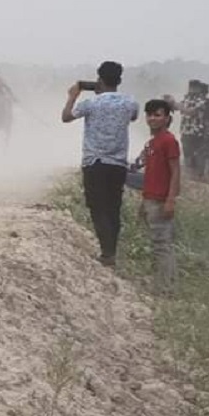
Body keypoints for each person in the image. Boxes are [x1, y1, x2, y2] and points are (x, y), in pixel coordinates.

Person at [61, 61, 139, 267]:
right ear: (119, 80)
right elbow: (134, 117)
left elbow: (66, 117)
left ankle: (107, 253)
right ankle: (111, 251)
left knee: (97, 206)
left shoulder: (91, 104)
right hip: (118, 164)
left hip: (94, 162)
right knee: (113, 207)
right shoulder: (130, 102)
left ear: (99, 79)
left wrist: (72, 95)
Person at [136, 98, 181, 293]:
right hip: (150, 199)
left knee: (162, 245)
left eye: (158, 114)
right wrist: (143, 202)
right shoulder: (152, 143)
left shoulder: (169, 141)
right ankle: (161, 284)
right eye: (149, 114)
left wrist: (170, 200)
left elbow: (175, 172)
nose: (152, 118)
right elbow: (147, 171)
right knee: (157, 244)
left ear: (167, 118)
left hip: (161, 200)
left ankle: (166, 288)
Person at [179, 80, 209, 180]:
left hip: (196, 130)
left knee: (196, 152)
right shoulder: (186, 98)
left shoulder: (201, 99)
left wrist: (178, 106)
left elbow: (191, 112)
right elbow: (178, 107)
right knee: (186, 151)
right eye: (191, 87)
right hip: (185, 129)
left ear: (199, 88)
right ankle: (188, 173)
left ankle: (196, 174)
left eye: (195, 87)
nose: (192, 89)